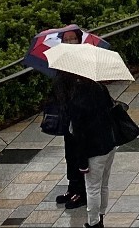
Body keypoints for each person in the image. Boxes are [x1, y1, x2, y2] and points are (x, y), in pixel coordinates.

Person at [52, 65, 119, 226]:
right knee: (104, 185)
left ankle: (94, 223)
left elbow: (79, 135)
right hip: (109, 144)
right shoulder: (100, 88)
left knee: (93, 189)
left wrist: (82, 163)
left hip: (93, 150)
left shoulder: (77, 100)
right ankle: (101, 217)